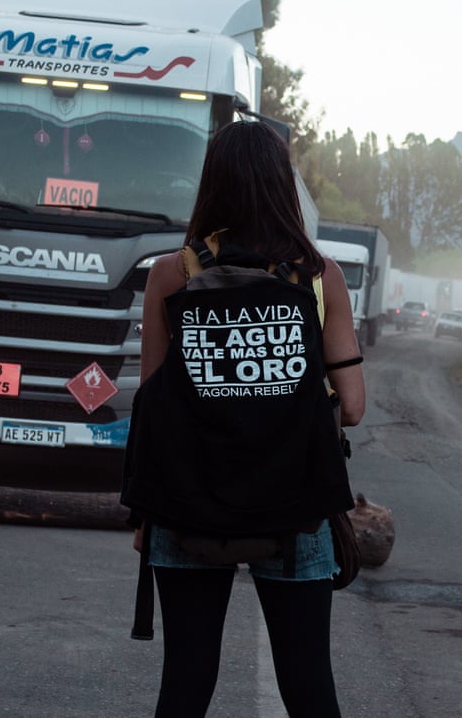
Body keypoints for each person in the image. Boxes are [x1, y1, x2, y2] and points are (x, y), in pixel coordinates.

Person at [135, 119, 365, 717]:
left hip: (186, 504)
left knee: (186, 681)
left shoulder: (171, 275)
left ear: (211, 184)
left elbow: (153, 404)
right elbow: (356, 408)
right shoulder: (321, 278)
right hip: (294, 508)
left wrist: (142, 513)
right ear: (282, 187)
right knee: (308, 680)